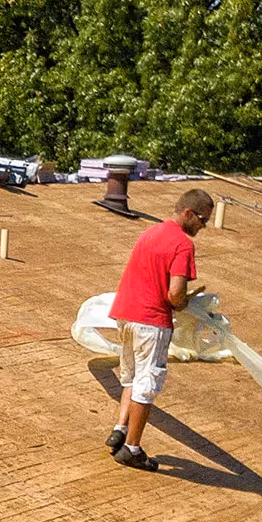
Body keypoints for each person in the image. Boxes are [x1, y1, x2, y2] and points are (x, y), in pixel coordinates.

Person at [104, 188, 216, 473]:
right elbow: (175, 292)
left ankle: (120, 428)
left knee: (129, 375)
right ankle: (131, 448)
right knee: (147, 383)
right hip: (151, 321)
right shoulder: (182, 245)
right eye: (202, 220)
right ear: (188, 213)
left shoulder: (151, 233)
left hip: (125, 314)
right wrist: (182, 303)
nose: (203, 227)